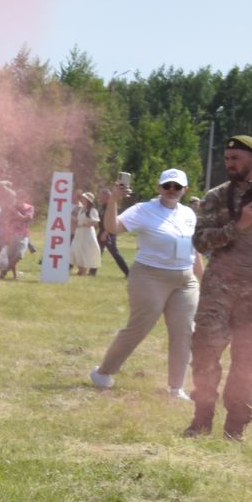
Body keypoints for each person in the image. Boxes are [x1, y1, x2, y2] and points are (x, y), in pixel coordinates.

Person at [187, 137, 252, 440]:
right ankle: (201, 420)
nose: (229, 164)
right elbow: (200, 241)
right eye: (226, 158)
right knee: (204, 351)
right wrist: (236, 227)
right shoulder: (216, 197)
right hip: (219, 288)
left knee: (248, 360)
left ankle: (235, 428)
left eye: (235, 158)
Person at [89, 170, 199, 397]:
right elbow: (112, 228)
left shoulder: (189, 213)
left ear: (185, 190)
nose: (171, 190)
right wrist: (113, 201)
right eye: (166, 185)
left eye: (176, 187)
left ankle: (176, 388)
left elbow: (194, 251)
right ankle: (103, 372)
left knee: (185, 331)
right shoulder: (143, 209)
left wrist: (203, 282)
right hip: (149, 277)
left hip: (185, 280)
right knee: (140, 327)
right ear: (159, 188)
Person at [0, 202, 36, 279]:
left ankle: (4, 272)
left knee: (19, 255)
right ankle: (15, 275)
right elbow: (8, 222)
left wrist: (18, 215)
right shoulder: (12, 207)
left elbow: (29, 218)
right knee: (11, 257)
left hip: (24, 235)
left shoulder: (29, 207)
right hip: (12, 234)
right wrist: (6, 236)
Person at [70, 191, 102, 275]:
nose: (83, 200)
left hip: (87, 233)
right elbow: (79, 220)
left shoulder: (92, 210)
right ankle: (80, 269)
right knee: (76, 249)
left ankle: (83, 270)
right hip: (79, 232)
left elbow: (95, 222)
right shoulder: (81, 209)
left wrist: (84, 225)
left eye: (85, 198)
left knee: (85, 250)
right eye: (83, 198)